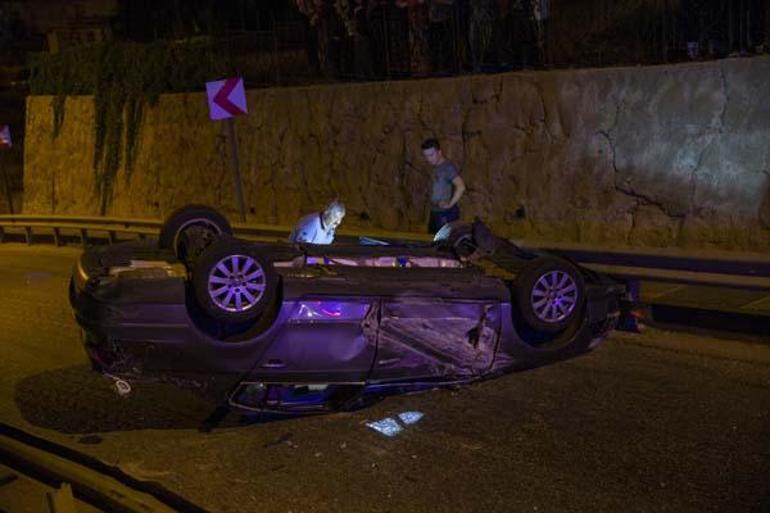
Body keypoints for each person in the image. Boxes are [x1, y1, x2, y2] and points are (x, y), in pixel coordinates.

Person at [421, 138, 466, 234]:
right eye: (426, 156)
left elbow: (461, 186)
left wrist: (450, 204)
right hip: (435, 212)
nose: (429, 159)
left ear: (439, 152)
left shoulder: (447, 167)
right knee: (432, 241)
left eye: (431, 155)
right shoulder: (436, 168)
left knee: (443, 244)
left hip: (445, 214)